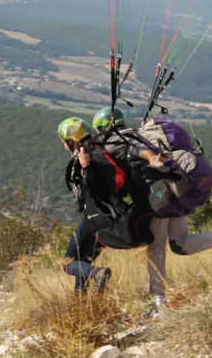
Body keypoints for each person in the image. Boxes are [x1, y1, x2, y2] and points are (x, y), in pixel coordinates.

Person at [91, 107, 212, 316]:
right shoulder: (135, 132)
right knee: (179, 244)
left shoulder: (117, 141)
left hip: (157, 198)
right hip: (174, 190)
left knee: (156, 249)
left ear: (102, 127)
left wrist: (150, 158)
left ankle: (160, 302)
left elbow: (135, 150)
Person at [57, 116, 166, 294]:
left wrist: (85, 167)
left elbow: (94, 188)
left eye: (64, 142)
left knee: (68, 262)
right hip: (112, 217)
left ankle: (98, 274)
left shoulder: (86, 158)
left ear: (71, 141)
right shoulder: (101, 150)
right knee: (84, 260)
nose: (63, 146)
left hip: (95, 219)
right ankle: (81, 303)